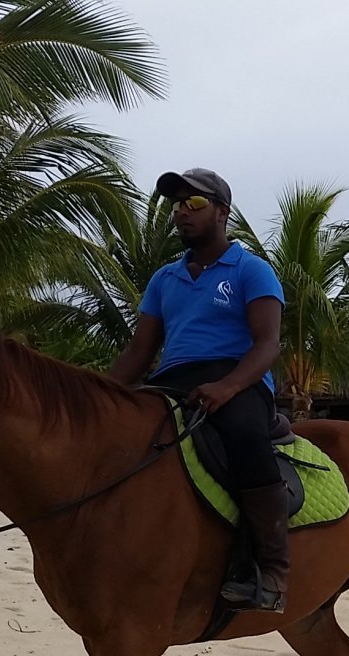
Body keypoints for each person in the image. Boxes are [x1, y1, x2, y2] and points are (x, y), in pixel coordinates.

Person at [106, 168, 290, 612]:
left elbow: (267, 345)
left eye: (195, 203)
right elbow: (139, 352)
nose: (181, 212)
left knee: (245, 435)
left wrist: (229, 387)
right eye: (177, 204)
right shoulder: (164, 280)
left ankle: (272, 570)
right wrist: (94, 396)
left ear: (222, 212)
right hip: (172, 379)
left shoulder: (251, 270)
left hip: (238, 377)